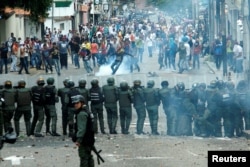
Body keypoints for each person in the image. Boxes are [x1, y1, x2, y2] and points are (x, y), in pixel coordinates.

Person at [72, 95, 95, 167]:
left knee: (84, 157)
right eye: (74, 103)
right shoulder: (87, 111)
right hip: (89, 138)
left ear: (81, 103)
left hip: (84, 139)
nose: (75, 105)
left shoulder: (81, 114)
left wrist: (78, 140)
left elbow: (81, 129)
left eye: (77, 103)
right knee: (89, 157)